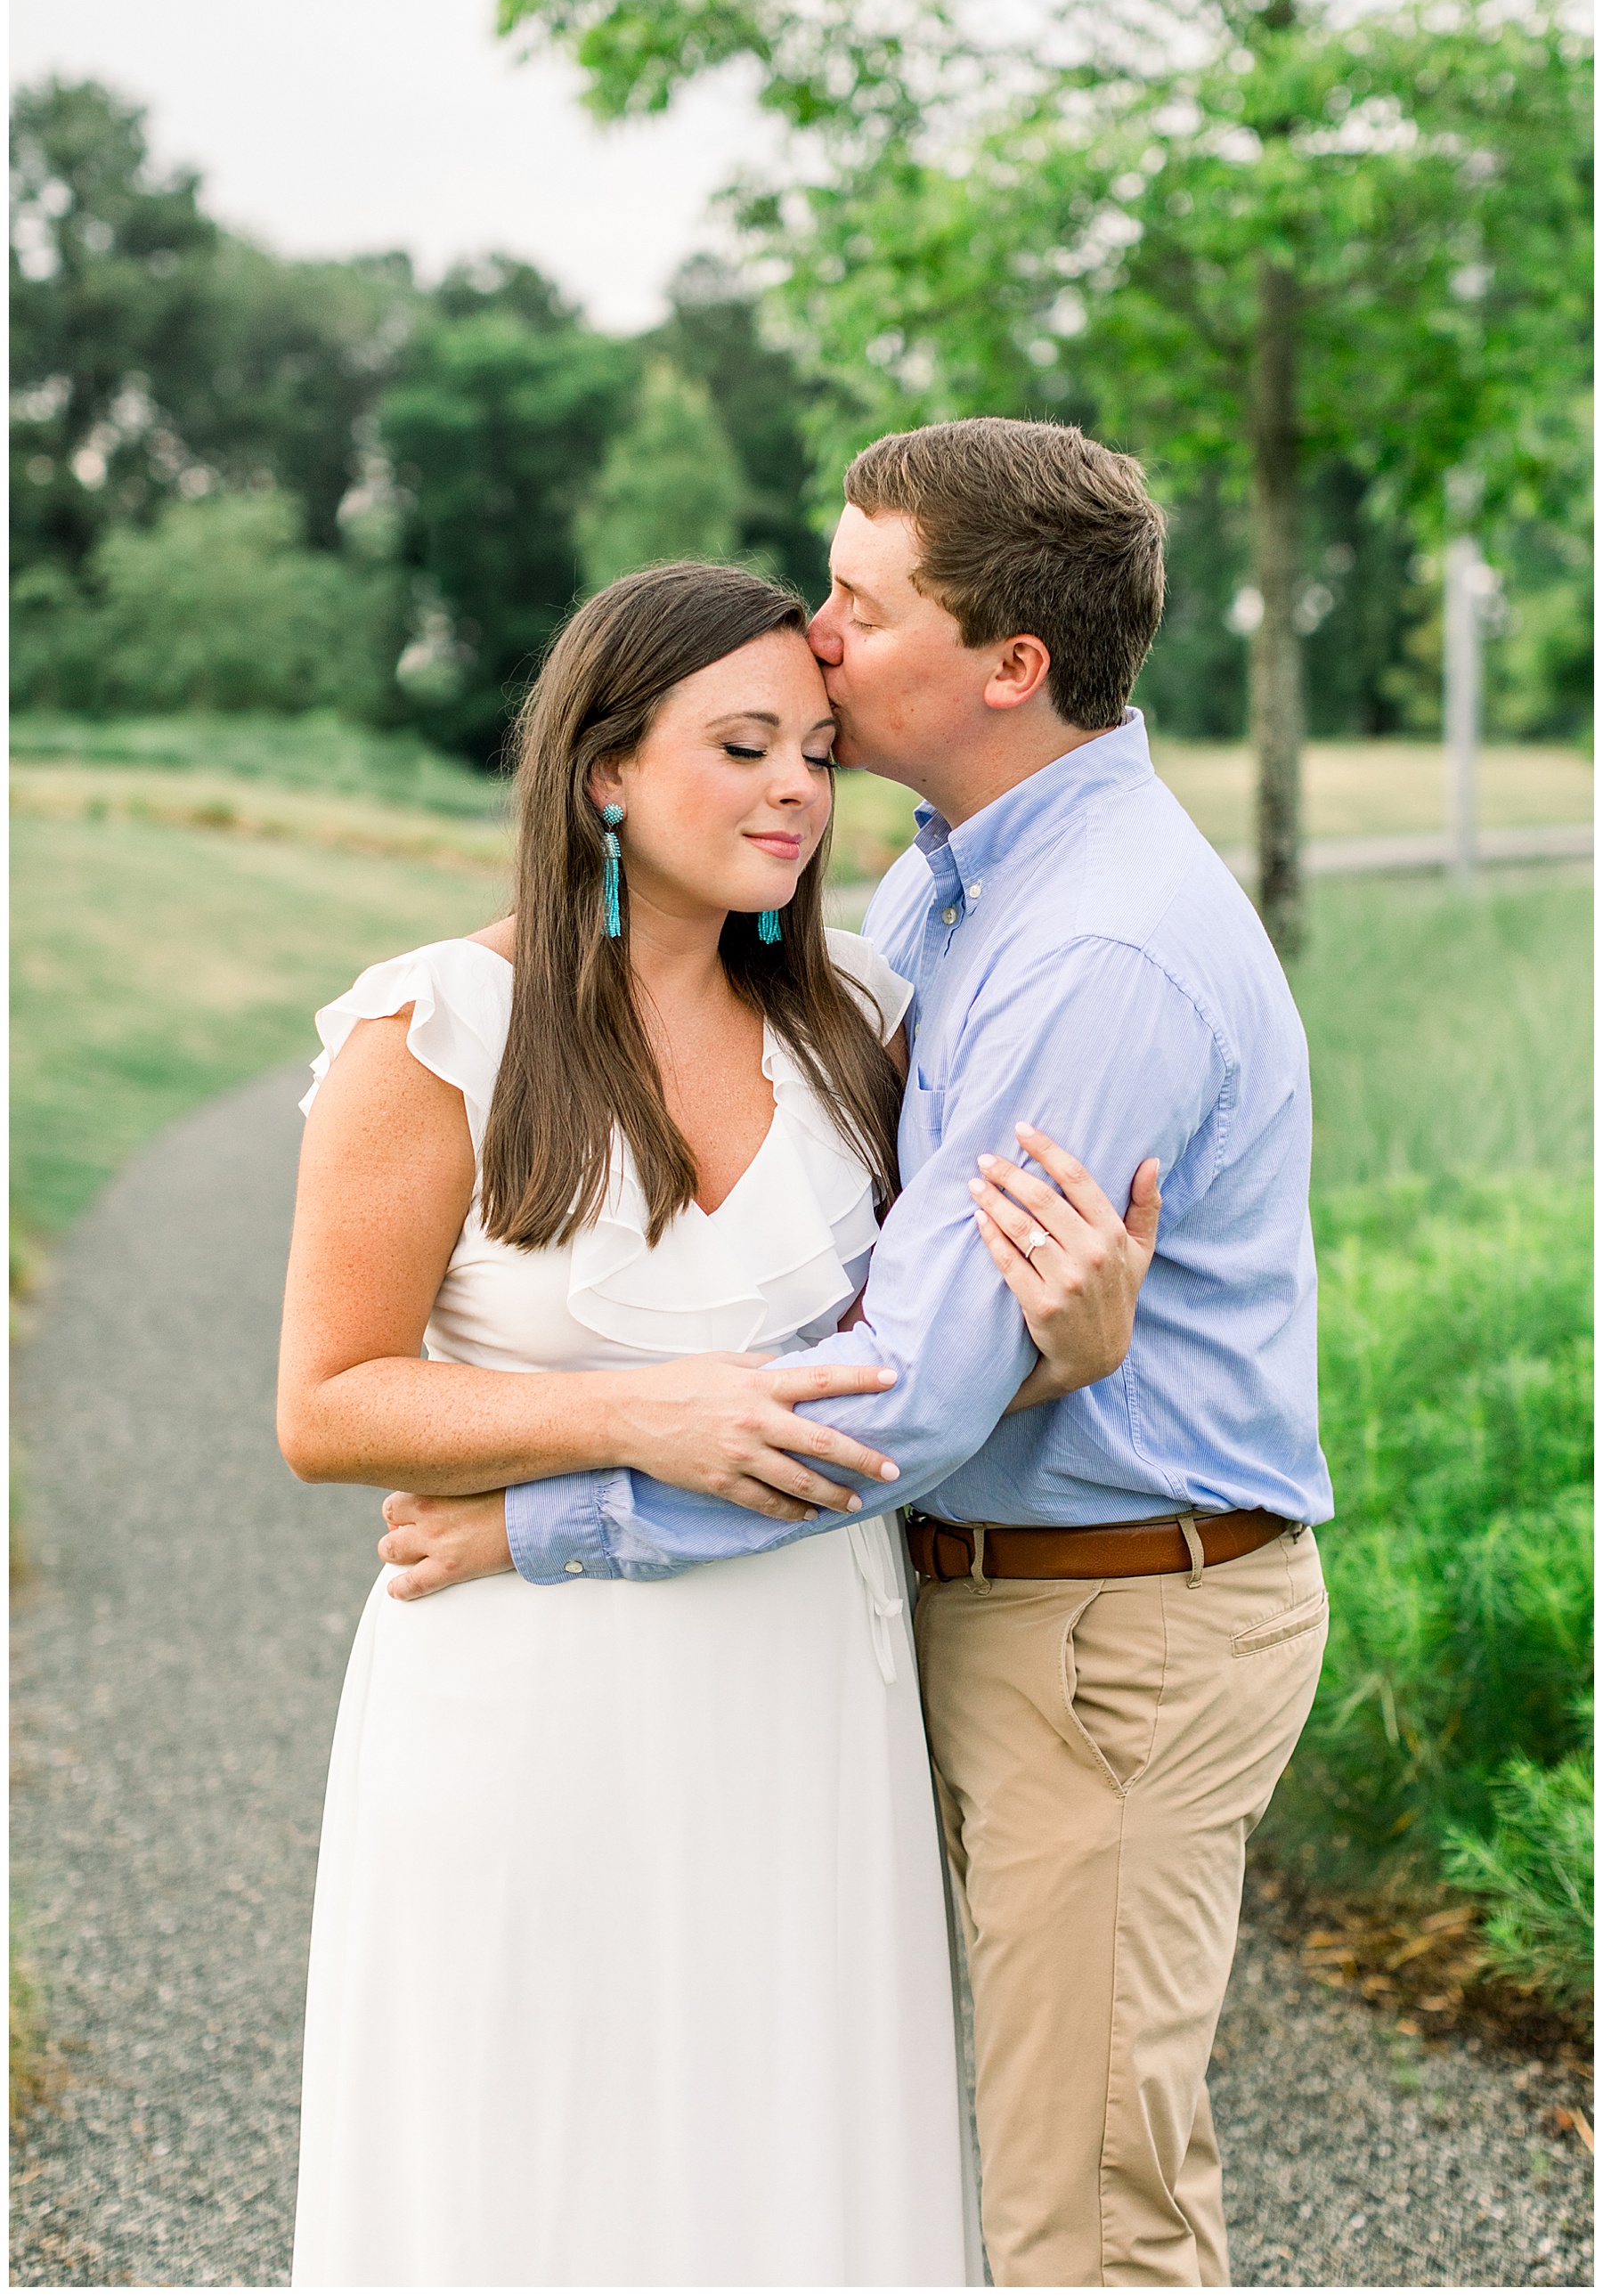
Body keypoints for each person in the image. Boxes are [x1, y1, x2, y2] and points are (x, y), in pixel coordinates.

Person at [382, 419, 1336, 2288]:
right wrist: (1039, 1360)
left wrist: (537, 1521)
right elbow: (898, 1314)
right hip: (961, 1606)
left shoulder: (1093, 953)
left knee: (1090, 2222)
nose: (818, 636)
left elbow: (901, 1392)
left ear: (1010, 666)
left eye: (860, 602)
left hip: (1110, 1633)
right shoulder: (935, 900)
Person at [278, 558, 1145, 2289]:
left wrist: (1077, 1337)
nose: (797, 794)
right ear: (604, 768)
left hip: (807, 1703)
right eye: (744, 745)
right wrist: (632, 1412)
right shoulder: (440, 1029)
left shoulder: (865, 1030)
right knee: (525, 2173)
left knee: (787, 2172)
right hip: (522, 1722)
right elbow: (327, 1403)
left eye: (820, 753)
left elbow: (913, 1378)